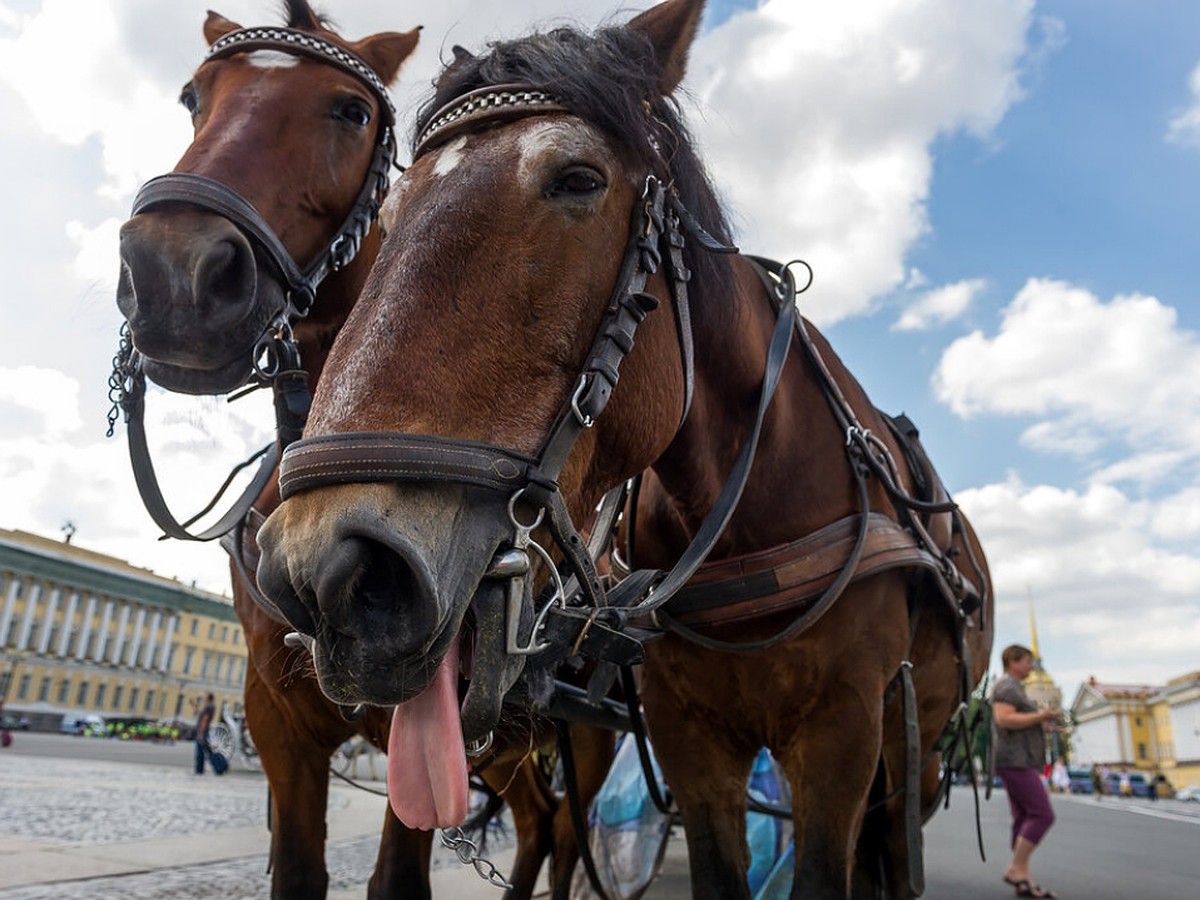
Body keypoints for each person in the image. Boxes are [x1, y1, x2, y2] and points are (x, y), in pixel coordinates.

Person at [992, 645, 1060, 899]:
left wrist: (1042, 725)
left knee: (1022, 818)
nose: (1032, 666)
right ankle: (1016, 870)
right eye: (1028, 661)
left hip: (1017, 759)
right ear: (1013, 662)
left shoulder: (1013, 687)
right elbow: (1004, 719)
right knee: (1042, 814)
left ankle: (1023, 880)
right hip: (1015, 760)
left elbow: (1016, 721)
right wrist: (1041, 714)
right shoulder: (1007, 687)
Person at [194, 693, 216, 775]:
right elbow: (201, 710)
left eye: (205, 698)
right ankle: (202, 768)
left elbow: (205, 720)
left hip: (203, 731)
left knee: (200, 751)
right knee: (206, 750)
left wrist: (200, 732)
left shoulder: (209, 707)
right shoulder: (211, 706)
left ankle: (199, 769)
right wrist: (194, 705)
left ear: (208, 698)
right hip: (205, 731)